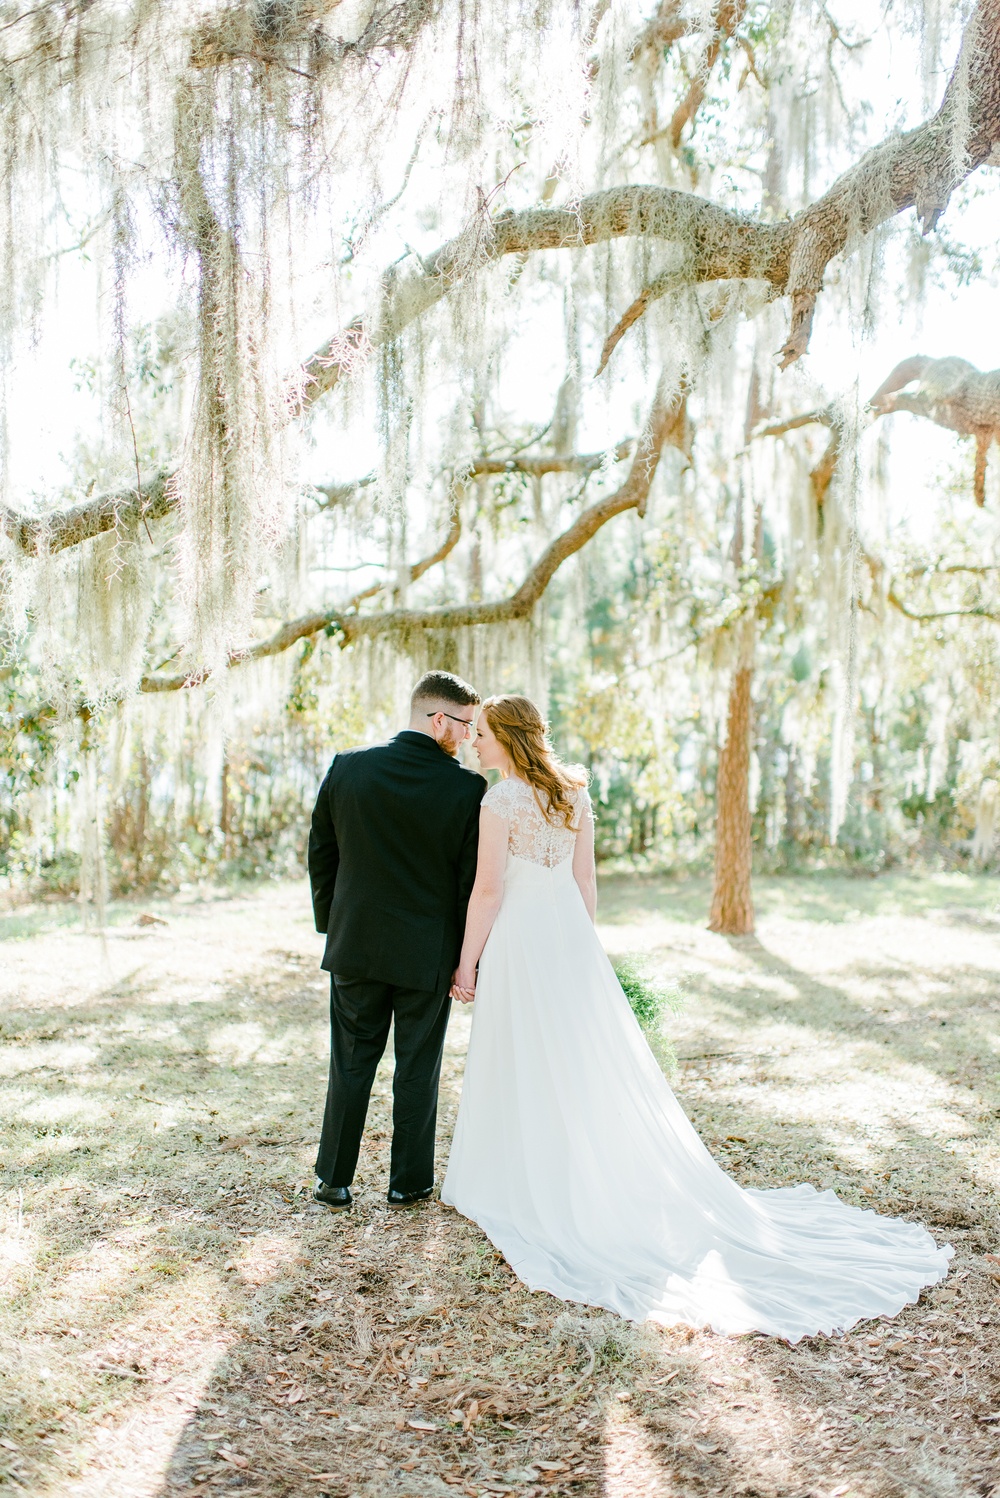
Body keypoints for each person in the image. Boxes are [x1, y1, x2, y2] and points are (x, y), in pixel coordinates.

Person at [442, 694, 952, 1341]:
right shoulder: (574, 794)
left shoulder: (500, 800)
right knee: (574, 1062)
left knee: (524, 1057)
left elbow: (488, 890)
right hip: (567, 940)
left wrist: (467, 966)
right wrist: (581, 949)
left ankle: (521, 1178)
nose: (475, 744)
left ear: (507, 737)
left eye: (482, 734)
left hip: (519, 939)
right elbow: (585, 883)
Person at [308, 671, 486, 1210]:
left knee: (350, 1063)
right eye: (465, 726)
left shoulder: (348, 768)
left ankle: (334, 1180)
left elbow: (322, 853)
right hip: (426, 955)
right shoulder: (465, 790)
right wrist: (463, 959)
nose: (470, 738)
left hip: (356, 945)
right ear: (438, 720)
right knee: (418, 1069)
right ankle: (408, 1182)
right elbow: (467, 883)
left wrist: (332, 923)